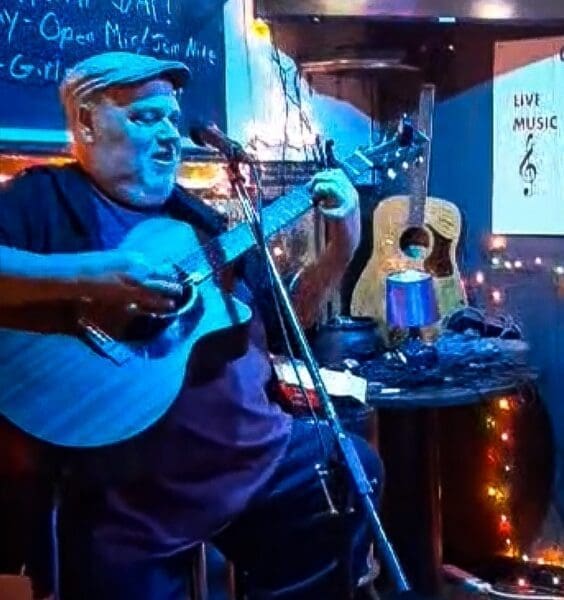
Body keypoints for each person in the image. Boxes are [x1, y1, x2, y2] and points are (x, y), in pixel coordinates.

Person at [0, 51, 383, 599]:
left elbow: (284, 325)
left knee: (350, 468)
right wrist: (92, 275)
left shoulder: (201, 222)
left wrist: (341, 244)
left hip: (252, 459)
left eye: (171, 120)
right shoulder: (44, 200)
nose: (169, 138)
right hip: (130, 497)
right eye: (143, 118)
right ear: (85, 122)